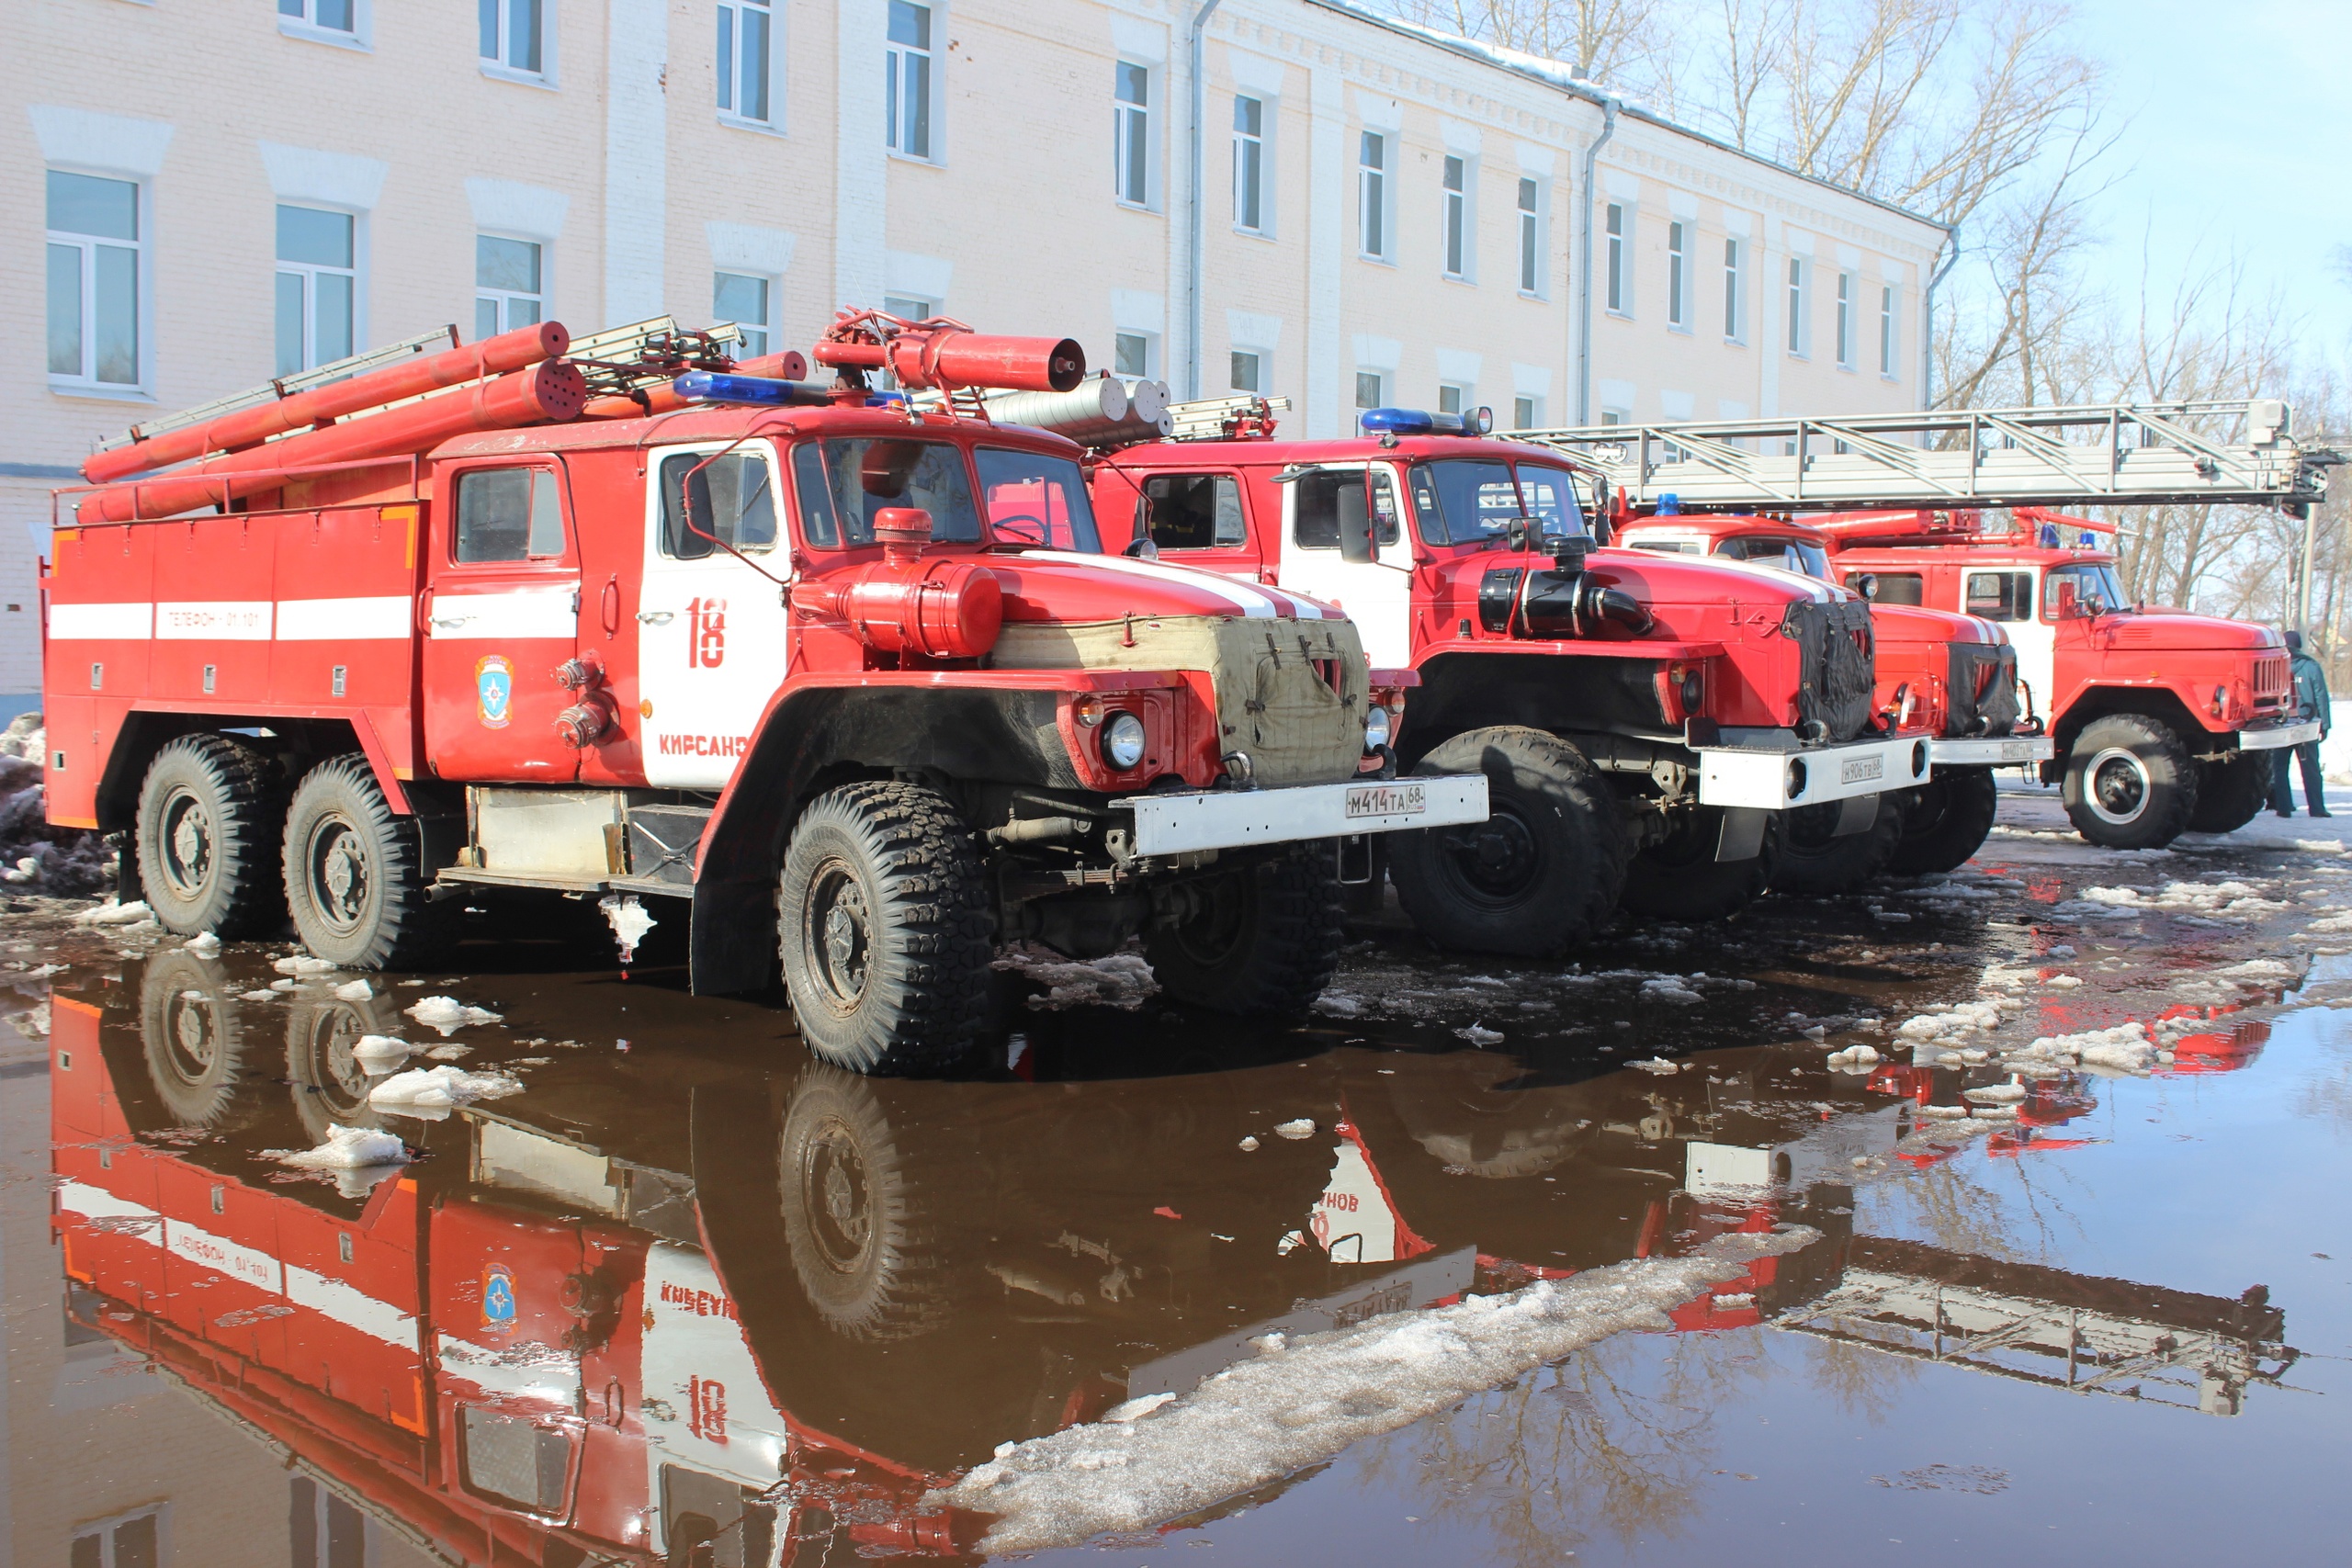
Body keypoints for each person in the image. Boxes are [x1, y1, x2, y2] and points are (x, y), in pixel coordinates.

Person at [2270, 629, 2332, 818]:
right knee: (2310, 768)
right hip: (2306, 725)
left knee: (2278, 768)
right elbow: (2320, 695)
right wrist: (2325, 724)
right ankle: (2316, 808)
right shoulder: (2310, 666)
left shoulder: (2274, 666)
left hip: (2281, 724)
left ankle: (2284, 807)